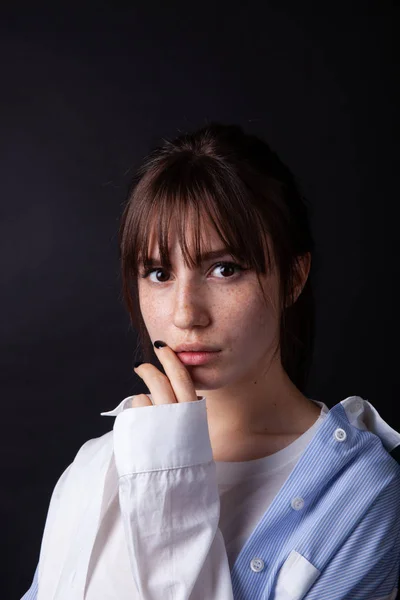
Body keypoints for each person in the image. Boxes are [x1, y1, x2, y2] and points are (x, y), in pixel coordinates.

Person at [22, 123, 400, 600]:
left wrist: (168, 484)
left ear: (294, 277)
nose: (185, 314)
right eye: (158, 273)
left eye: (225, 269)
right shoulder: (97, 466)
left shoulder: (360, 498)